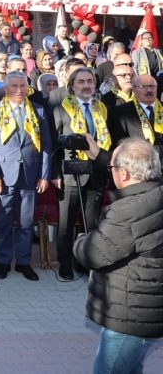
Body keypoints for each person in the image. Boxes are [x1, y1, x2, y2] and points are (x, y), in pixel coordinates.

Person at [73, 138, 162, 374]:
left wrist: (80, 240)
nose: (110, 172)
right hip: (149, 311)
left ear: (123, 173)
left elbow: (93, 254)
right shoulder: (156, 193)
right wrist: (100, 155)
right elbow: (130, 166)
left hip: (130, 318)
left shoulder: (127, 212)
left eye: (112, 168)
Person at [0, 71, 52, 281]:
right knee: (4, 219)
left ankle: (23, 262)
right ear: (6, 89)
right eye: (14, 86)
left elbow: (46, 146)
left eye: (22, 86)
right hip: (5, 173)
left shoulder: (38, 110)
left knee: (26, 221)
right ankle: (3, 261)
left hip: (30, 172)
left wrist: (44, 175)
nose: (19, 90)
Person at [52, 66, 111, 281]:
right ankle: (65, 264)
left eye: (90, 81)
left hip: (95, 172)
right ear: (72, 86)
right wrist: (54, 174)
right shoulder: (61, 108)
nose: (86, 85)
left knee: (91, 222)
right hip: (71, 173)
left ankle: (85, 262)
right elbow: (53, 144)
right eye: (81, 82)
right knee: (66, 222)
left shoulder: (102, 108)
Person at [108, 75, 163, 160]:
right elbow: (120, 143)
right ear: (134, 89)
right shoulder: (121, 112)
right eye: (143, 87)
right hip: (138, 162)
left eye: (152, 86)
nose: (149, 90)